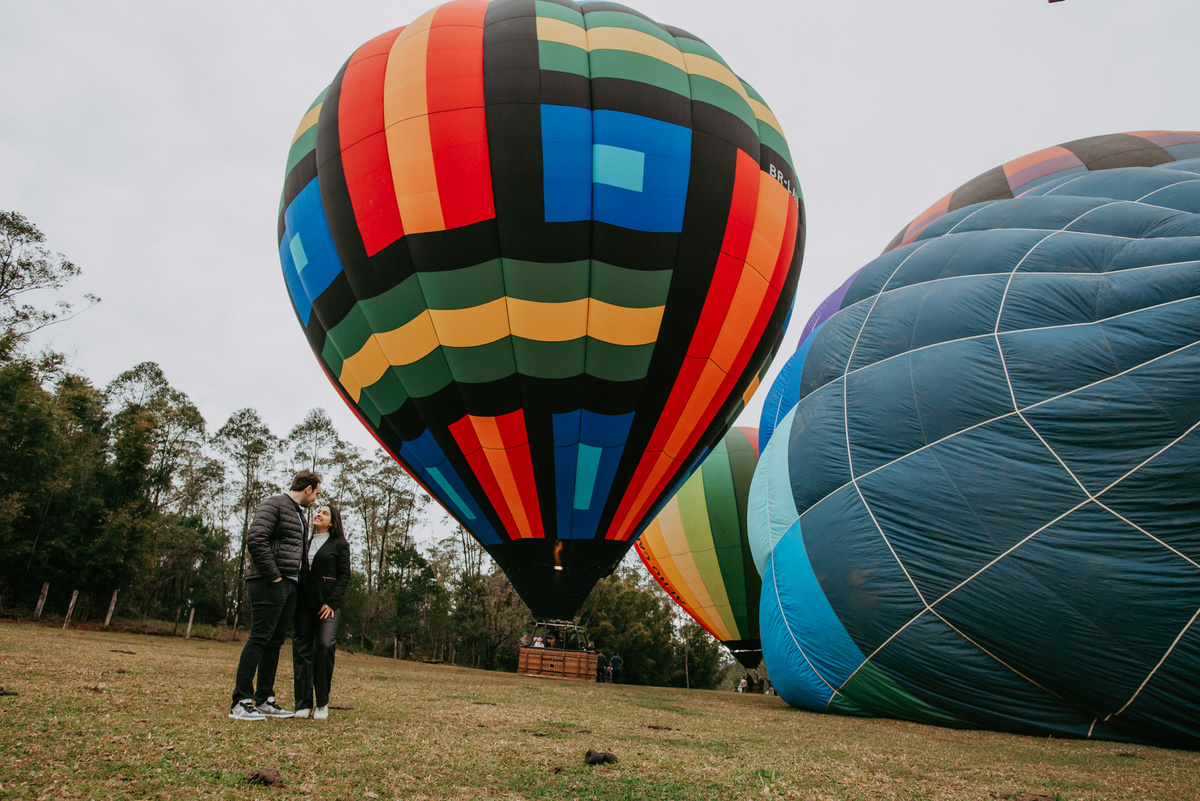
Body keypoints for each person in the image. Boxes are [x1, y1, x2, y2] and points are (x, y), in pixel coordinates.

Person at [228, 470, 321, 720]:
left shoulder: (299, 515)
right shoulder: (274, 504)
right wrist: (274, 576)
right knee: (259, 638)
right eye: (316, 493)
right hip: (268, 582)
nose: (315, 499)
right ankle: (241, 701)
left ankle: (264, 699)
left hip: (290, 587)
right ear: (308, 489)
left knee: (275, 643)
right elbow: (256, 539)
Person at [292, 503, 351, 721]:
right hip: (303, 605)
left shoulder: (339, 544)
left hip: (327, 606)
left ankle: (322, 703)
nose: (319, 514)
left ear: (332, 522)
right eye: (318, 511)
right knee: (302, 650)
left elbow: (345, 575)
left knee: (325, 646)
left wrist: (332, 602)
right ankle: (303, 704)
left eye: (324, 513)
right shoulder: (305, 543)